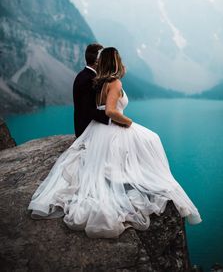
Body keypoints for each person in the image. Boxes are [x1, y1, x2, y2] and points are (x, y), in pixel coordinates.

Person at [28, 47, 202, 238]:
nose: (125, 64)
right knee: (151, 138)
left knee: (143, 140)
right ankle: (147, 177)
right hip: (107, 125)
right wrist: (127, 122)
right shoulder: (114, 82)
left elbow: (100, 107)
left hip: (97, 128)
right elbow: (110, 111)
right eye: (121, 60)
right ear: (116, 63)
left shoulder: (100, 82)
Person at [73, 43, 110, 137]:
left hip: (89, 125)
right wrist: (110, 117)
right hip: (86, 130)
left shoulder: (84, 75)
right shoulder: (88, 79)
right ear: (97, 61)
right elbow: (87, 109)